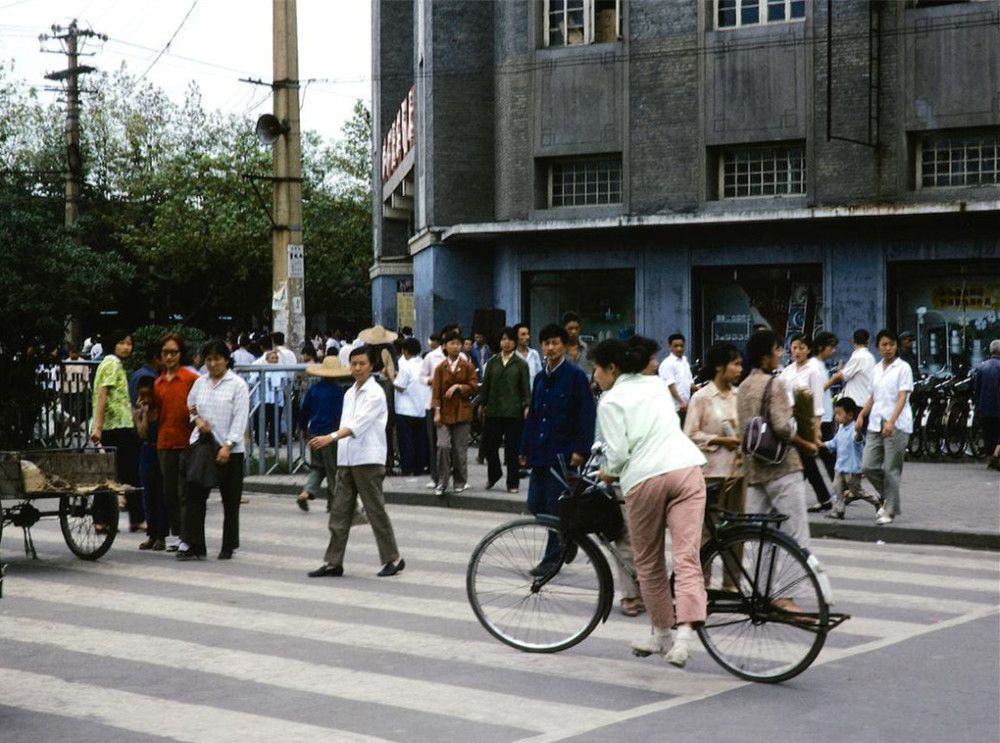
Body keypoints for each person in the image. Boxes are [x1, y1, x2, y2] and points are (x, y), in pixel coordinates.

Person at [591, 338, 708, 667]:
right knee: (687, 558)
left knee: (650, 562)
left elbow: (618, 455)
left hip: (645, 480)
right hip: (686, 469)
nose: (595, 375)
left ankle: (661, 634)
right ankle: (683, 637)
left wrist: (608, 472)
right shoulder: (656, 385)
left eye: (597, 369)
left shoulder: (610, 401)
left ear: (612, 369)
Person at [307, 345, 406, 578]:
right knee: (339, 511)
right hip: (347, 459)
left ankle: (393, 558)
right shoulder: (349, 392)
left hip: (368, 459)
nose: (358, 368)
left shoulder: (375, 393)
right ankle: (333, 562)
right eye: (354, 364)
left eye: (362, 363)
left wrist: (330, 437)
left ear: (371, 366)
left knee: (375, 510)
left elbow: (357, 425)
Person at [737, 331, 818, 558]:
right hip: (782, 467)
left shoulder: (742, 387)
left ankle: (761, 589)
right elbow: (782, 427)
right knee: (797, 536)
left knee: (759, 538)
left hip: (754, 471)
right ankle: (790, 591)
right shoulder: (775, 383)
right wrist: (805, 442)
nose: (781, 354)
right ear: (765, 357)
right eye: (777, 349)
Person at [519, 323, 596, 530]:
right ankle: (567, 539)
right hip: (540, 451)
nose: (550, 348)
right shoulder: (540, 378)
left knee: (556, 507)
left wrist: (581, 450)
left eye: (555, 343)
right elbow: (533, 416)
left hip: (563, 452)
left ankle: (554, 555)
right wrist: (525, 448)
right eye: (546, 343)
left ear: (563, 345)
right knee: (535, 503)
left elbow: (586, 416)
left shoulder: (575, 377)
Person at [181, 339, 251, 560]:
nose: (213, 364)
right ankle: (195, 544)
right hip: (202, 447)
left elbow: (240, 419)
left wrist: (228, 445)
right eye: (209, 359)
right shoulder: (200, 383)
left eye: (217, 359)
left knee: (230, 500)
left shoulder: (237, 384)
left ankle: (228, 545)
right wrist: (197, 420)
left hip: (230, 449)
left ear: (226, 360)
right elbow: (190, 404)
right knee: (195, 497)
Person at [856, 330, 914, 526]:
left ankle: (890, 510)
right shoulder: (876, 369)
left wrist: (891, 421)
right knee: (868, 465)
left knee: (891, 469)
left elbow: (902, 397)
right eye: (884, 345)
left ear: (896, 346)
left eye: (891, 344)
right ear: (878, 347)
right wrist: (861, 415)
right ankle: (890, 498)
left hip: (897, 424)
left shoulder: (903, 368)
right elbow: (872, 396)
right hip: (875, 422)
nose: (888, 348)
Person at [90, 329, 144, 532]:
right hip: (115, 427)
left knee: (109, 475)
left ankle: (102, 520)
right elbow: (103, 395)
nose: (126, 347)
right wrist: (98, 427)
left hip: (117, 424)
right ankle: (136, 519)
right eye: (122, 343)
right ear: (113, 344)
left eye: (129, 343)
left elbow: (117, 398)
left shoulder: (110, 363)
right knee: (129, 473)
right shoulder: (112, 363)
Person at [684, 343, 745, 519]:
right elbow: (690, 434)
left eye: (740, 364)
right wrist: (720, 440)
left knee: (737, 527)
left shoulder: (739, 395)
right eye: (735, 364)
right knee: (710, 528)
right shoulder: (701, 397)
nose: (739, 369)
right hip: (711, 473)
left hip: (737, 472)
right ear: (719, 366)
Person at [154, 334, 199, 551]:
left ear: (181, 354)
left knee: (185, 493)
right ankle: (180, 534)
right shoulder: (158, 382)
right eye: (165, 353)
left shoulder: (190, 378)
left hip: (187, 442)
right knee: (170, 493)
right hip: (165, 442)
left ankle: (188, 537)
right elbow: (156, 415)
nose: (169, 357)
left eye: (173, 352)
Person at [779, 333, 832, 512]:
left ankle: (820, 498)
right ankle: (824, 498)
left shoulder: (813, 371)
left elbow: (818, 401)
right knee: (805, 462)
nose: (797, 351)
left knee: (805, 461)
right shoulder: (787, 371)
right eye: (794, 347)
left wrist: (816, 428)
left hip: (806, 421)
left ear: (808, 350)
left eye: (801, 348)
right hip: (790, 421)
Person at [479, 327, 530, 493]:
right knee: (489, 445)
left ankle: (512, 482)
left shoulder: (521, 364)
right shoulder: (492, 362)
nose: (506, 342)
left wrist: (526, 405)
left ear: (515, 342)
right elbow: (485, 386)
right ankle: (494, 474)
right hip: (493, 410)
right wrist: (482, 404)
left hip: (513, 412)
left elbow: (525, 388)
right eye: (503, 339)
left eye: (509, 339)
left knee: (512, 449)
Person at [297, 355, 349, 511]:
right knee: (333, 469)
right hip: (329, 435)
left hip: (314, 432)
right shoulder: (338, 392)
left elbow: (303, 411)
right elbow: (340, 414)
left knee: (317, 467)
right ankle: (334, 502)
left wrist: (303, 429)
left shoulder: (314, 390)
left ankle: (306, 493)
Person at [431, 331, 479, 495]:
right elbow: (436, 392)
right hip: (444, 413)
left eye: (458, 343)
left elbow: (474, 386)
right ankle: (442, 481)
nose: (455, 346)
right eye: (452, 343)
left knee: (460, 450)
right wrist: (436, 411)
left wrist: (459, 387)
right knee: (443, 446)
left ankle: (460, 480)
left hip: (462, 412)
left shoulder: (467, 366)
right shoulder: (440, 368)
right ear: (445, 346)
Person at [824, 397, 881, 520]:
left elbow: (858, 440)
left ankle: (875, 500)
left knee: (856, 491)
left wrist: (859, 432)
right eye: (836, 414)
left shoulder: (854, 429)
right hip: (840, 466)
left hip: (852, 468)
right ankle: (839, 510)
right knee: (836, 487)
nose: (836, 417)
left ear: (850, 415)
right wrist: (821, 444)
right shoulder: (841, 430)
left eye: (839, 414)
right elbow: (833, 444)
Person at [133, 377, 167, 550]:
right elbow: (143, 434)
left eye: (148, 395)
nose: (145, 399)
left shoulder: (162, 411)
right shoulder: (139, 413)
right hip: (146, 452)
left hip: (160, 451)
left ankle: (161, 535)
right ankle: (151, 534)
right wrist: (144, 414)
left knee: (161, 495)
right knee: (148, 494)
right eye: (141, 396)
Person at [394, 337, 430, 477]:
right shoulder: (424, 365)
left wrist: (392, 379)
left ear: (405, 351)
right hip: (421, 408)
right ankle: (419, 467)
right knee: (419, 440)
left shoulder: (406, 366)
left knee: (406, 440)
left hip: (405, 409)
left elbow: (400, 387)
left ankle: (407, 468)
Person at [826, 329, 875, 412]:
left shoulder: (858, 356)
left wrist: (824, 386)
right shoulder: (870, 357)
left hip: (857, 402)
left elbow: (843, 376)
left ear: (852, 341)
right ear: (868, 341)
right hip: (867, 401)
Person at [974, 340, 1000, 470]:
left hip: (985, 406)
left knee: (988, 433)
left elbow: (977, 388)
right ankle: (996, 455)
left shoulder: (982, 366)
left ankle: (991, 457)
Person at [658, 333, 696, 421]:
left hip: (685, 405)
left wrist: (695, 388)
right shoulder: (668, 364)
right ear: (670, 347)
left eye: (681, 346)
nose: (679, 349)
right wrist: (680, 402)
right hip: (674, 407)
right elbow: (670, 385)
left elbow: (688, 381)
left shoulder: (685, 362)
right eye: (675, 346)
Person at [562, 311, 593, 376]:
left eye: (576, 328)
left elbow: (593, 371)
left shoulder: (587, 349)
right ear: (564, 329)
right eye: (570, 328)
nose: (574, 332)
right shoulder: (559, 350)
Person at [513, 323, 544, 388]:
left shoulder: (534, 354)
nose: (527, 337)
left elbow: (540, 375)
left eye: (528, 334)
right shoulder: (513, 355)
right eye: (523, 334)